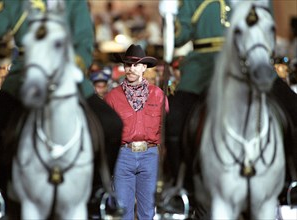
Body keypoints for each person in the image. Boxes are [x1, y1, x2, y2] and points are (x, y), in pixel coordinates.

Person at [0, 0, 122, 218]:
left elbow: (84, 40)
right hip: (28, 73)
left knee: (112, 124)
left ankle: (99, 190)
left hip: (65, 70)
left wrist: (73, 66)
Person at [162, 0, 297, 200]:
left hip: (251, 61)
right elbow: (178, 37)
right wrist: (168, 16)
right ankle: (181, 187)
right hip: (204, 65)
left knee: (293, 107)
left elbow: (268, 30)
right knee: (176, 118)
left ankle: (291, 179)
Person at [104, 44, 169, 220]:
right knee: (122, 211)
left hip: (150, 155)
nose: (131, 69)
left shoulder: (158, 95)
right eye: (127, 65)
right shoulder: (112, 97)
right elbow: (107, 133)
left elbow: (165, 128)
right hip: (123, 156)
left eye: (135, 65)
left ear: (144, 68)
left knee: (148, 211)